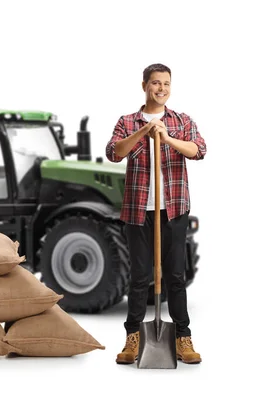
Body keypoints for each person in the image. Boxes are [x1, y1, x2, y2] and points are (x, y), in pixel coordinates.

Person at [105, 63, 207, 364]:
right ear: (144, 86)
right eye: (155, 83)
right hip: (139, 210)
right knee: (139, 277)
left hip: (174, 209)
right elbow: (114, 153)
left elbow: (199, 150)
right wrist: (144, 132)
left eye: (166, 83)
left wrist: (166, 136)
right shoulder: (127, 121)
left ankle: (182, 337)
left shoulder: (182, 120)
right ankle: (133, 338)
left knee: (175, 275)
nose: (161, 88)